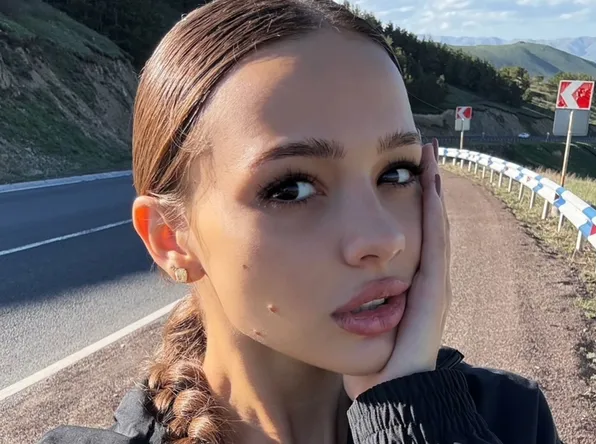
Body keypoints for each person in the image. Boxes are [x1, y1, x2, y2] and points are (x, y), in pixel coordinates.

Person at [39, 1, 561, 443]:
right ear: (170, 238)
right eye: (291, 188)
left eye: (397, 173)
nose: (384, 237)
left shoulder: (510, 419)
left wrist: (410, 415)